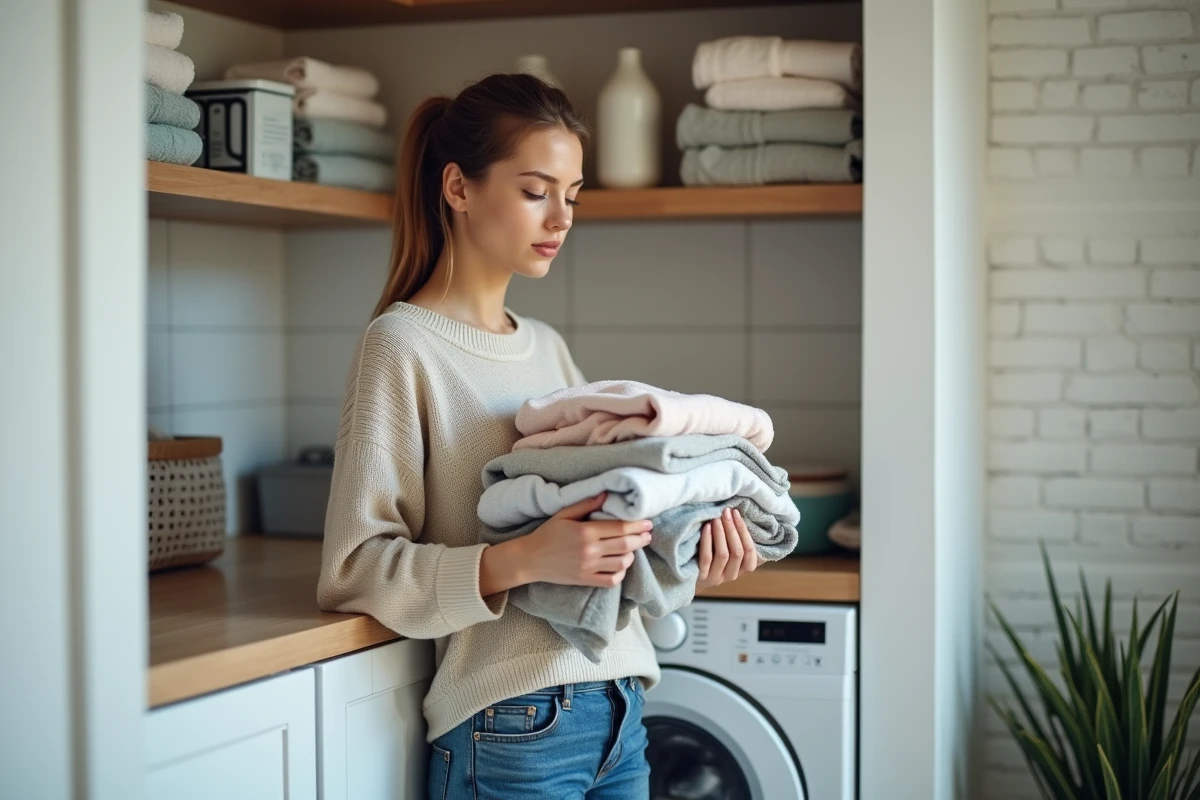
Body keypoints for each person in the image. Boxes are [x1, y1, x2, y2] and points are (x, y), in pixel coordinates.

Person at [316, 73, 761, 800]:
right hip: (511, 727)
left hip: (621, 708)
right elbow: (355, 567)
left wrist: (684, 551)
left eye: (573, 195)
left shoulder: (547, 348)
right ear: (458, 188)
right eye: (535, 191)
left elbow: (603, 543)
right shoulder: (400, 346)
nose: (561, 217)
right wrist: (514, 561)